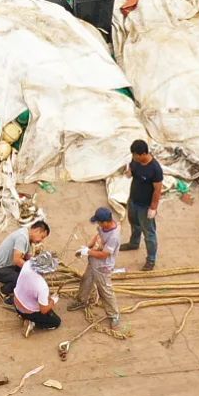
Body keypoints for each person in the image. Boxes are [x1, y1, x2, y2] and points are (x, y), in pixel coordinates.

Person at [71, 205, 122, 327]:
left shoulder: (114, 237)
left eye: (99, 222)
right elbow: (97, 235)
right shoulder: (103, 227)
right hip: (94, 261)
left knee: (105, 290)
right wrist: (87, 247)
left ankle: (114, 314)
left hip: (103, 267)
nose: (97, 224)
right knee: (86, 280)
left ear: (105, 222)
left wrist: (87, 252)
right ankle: (82, 300)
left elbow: (104, 254)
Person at [0, 218, 50, 301]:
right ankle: (3, 292)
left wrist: (38, 264)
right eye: (42, 237)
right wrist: (32, 271)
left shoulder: (26, 236)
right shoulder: (22, 237)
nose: (41, 241)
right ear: (37, 230)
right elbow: (17, 260)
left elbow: (26, 257)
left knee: (26, 274)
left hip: (7, 266)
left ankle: (14, 282)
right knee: (21, 278)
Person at [126, 138, 163, 270]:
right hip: (133, 200)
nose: (133, 157)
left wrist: (153, 207)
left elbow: (158, 190)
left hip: (145, 206)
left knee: (149, 233)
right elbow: (131, 168)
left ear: (143, 154)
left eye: (135, 155)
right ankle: (134, 243)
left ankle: (151, 260)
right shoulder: (135, 161)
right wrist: (129, 172)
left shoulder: (155, 169)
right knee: (134, 223)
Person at [12, 249, 61, 336]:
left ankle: (23, 315)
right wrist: (53, 301)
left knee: (44, 302)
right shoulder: (42, 286)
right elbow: (43, 310)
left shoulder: (27, 264)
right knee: (56, 322)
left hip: (16, 302)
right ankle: (32, 322)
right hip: (28, 311)